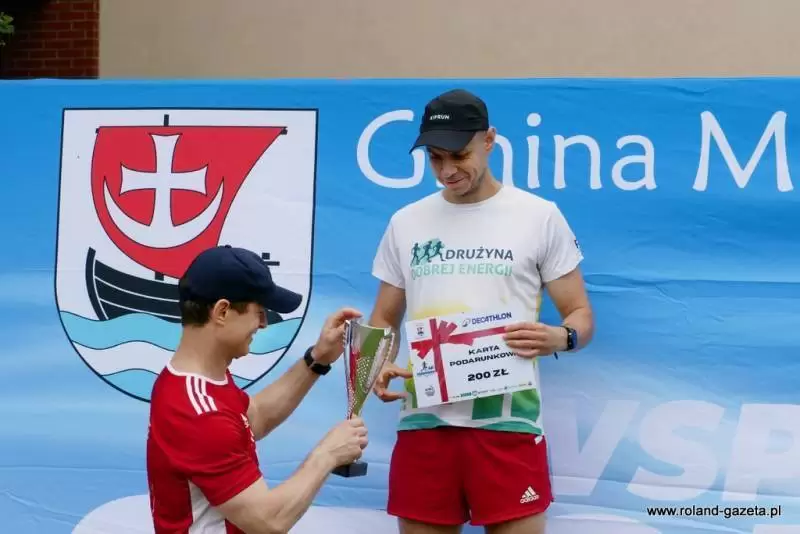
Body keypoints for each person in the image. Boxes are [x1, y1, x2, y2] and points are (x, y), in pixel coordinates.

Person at [369, 89, 594, 534]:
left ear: (489, 140)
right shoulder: (406, 222)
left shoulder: (539, 216)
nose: (447, 171)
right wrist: (373, 366)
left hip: (508, 423)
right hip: (424, 423)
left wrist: (561, 337)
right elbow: (382, 319)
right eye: (435, 158)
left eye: (459, 155)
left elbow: (580, 315)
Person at [146, 244, 367, 534]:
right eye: (259, 311)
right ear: (222, 311)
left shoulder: (192, 383)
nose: (263, 324)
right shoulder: (199, 413)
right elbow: (268, 521)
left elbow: (254, 417)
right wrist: (328, 454)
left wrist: (317, 359)